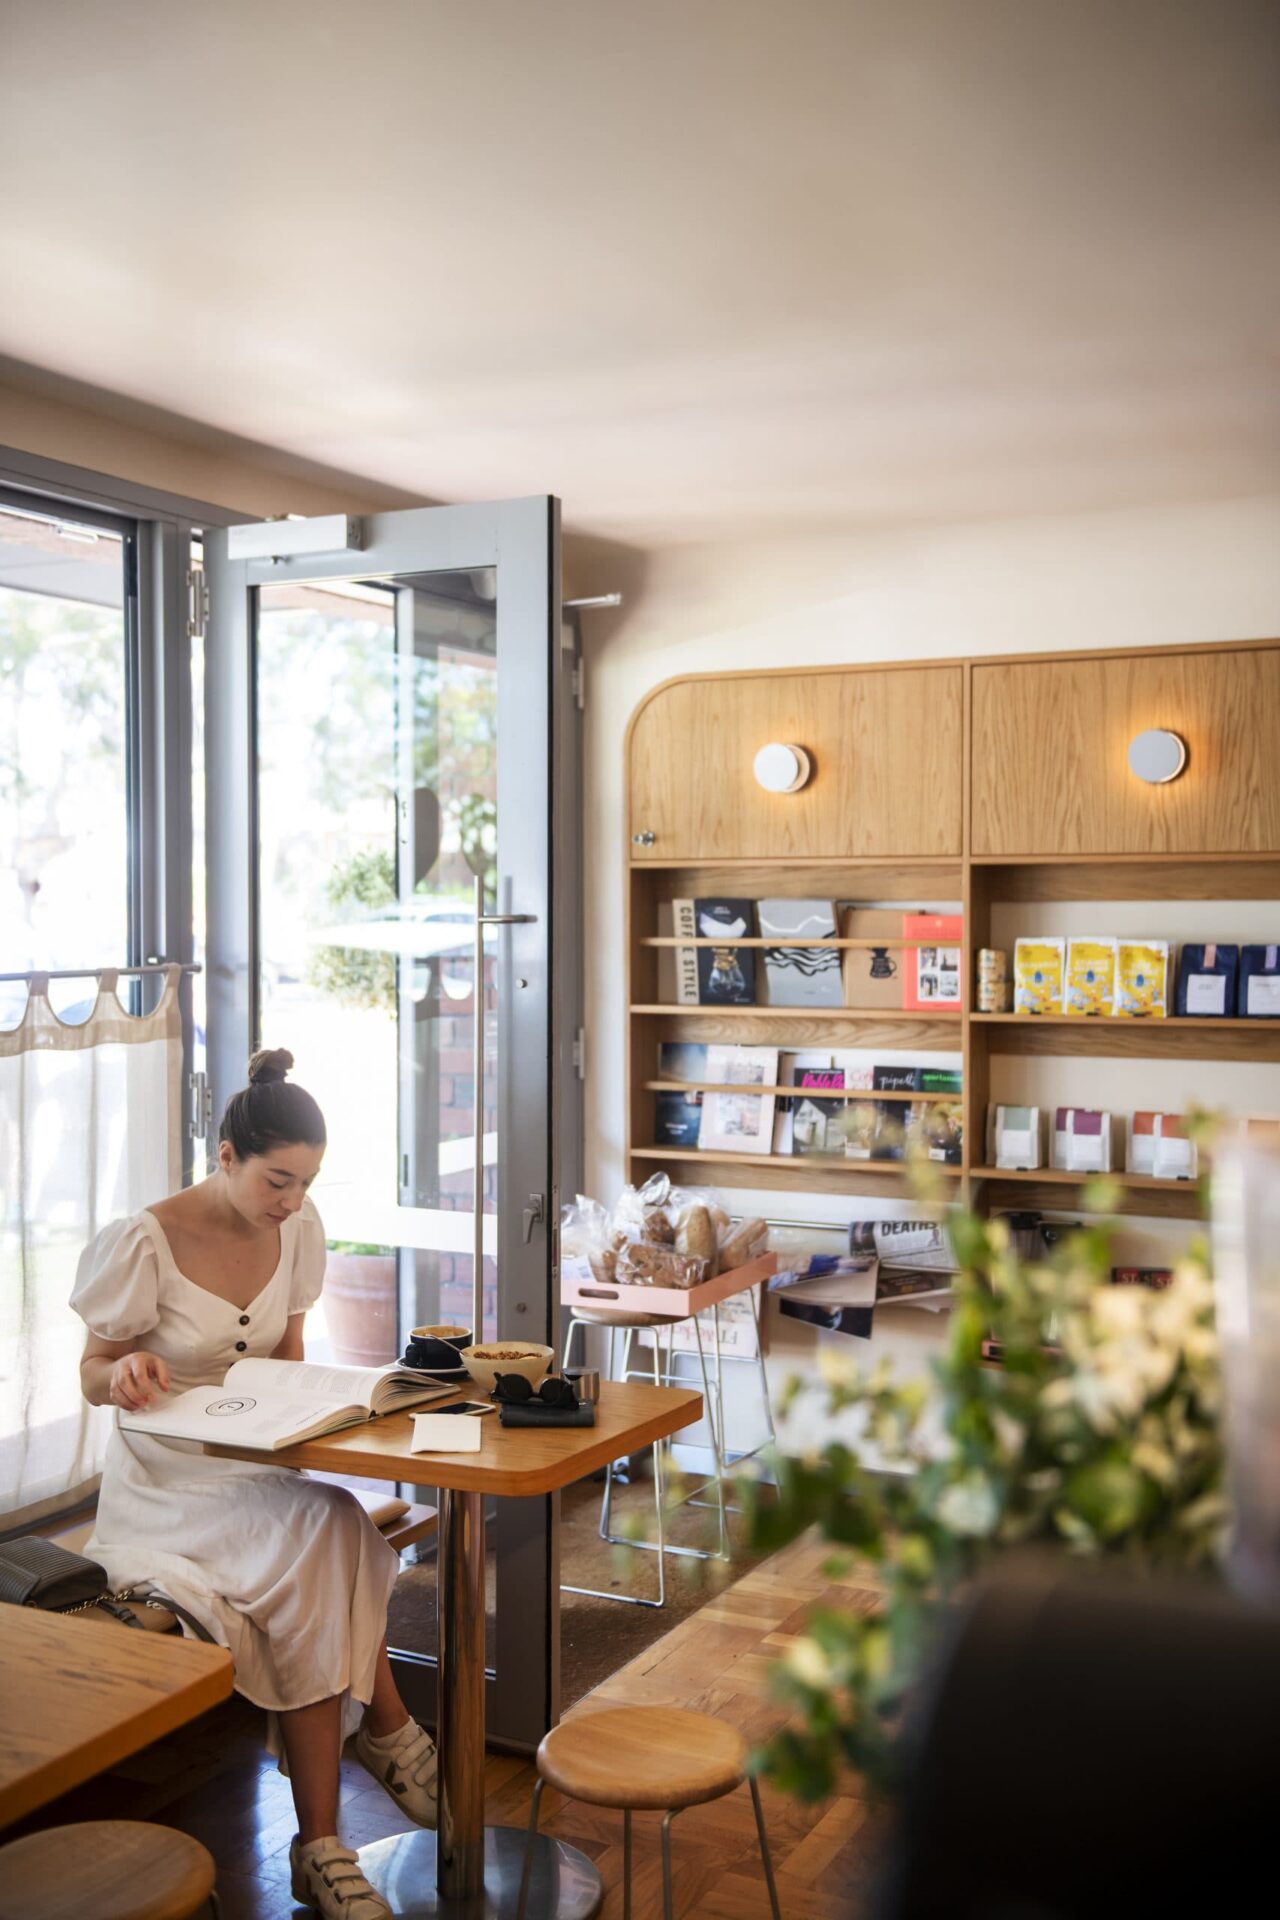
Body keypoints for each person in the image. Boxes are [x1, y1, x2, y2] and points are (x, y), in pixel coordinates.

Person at [72, 1048, 432, 1920]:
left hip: (252, 1469)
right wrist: (123, 1376)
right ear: (225, 1156)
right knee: (334, 1530)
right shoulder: (144, 1238)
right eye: (278, 1180)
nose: (292, 1202)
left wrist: (311, 1422)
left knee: (327, 1527)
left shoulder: (296, 1231)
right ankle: (384, 1733)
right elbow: (92, 1371)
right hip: (164, 1482)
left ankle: (322, 1844)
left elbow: (287, 1362)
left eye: (306, 1182)